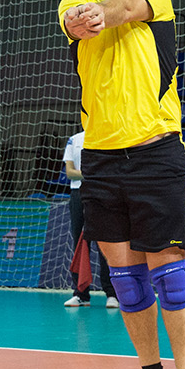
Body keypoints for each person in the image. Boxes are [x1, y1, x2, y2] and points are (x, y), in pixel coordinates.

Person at [59, 0, 185, 369]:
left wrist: (100, 14)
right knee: (124, 280)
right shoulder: (73, 2)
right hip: (99, 159)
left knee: (170, 275)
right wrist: (81, 17)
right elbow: (74, 19)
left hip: (155, 152)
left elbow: (121, 10)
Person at [62, 130, 120, 308]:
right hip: (78, 194)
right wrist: (92, 174)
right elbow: (70, 172)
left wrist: (93, 175)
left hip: (102, 194)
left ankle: (112, 294)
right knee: (80, 244)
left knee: (105, 244)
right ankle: (81, 294)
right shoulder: (74, 140)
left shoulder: (108, 136)